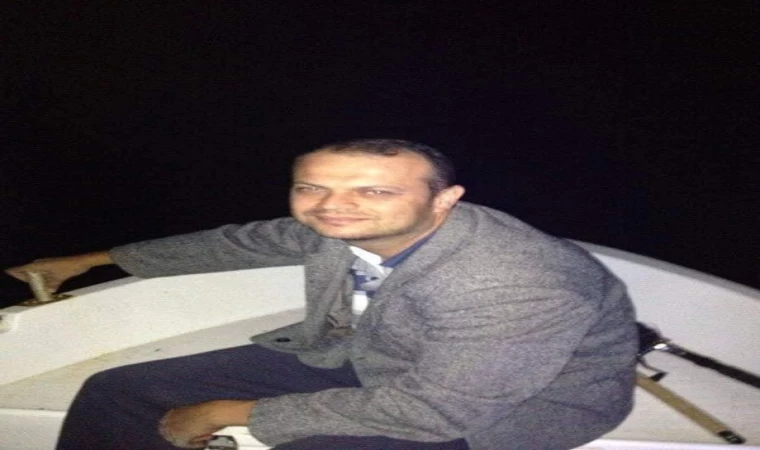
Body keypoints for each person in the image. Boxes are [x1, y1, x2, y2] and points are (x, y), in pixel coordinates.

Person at [6, 139, 638, 450]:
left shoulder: (512, 281)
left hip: (509, 409)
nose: (334, 206)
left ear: (445, 200)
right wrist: (86, 261)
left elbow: (435, 412)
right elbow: (233, 244)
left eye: (375, 190)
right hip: (367, 358)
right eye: (313, 188)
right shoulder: (339, 225)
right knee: (117, 393)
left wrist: (226, 412)